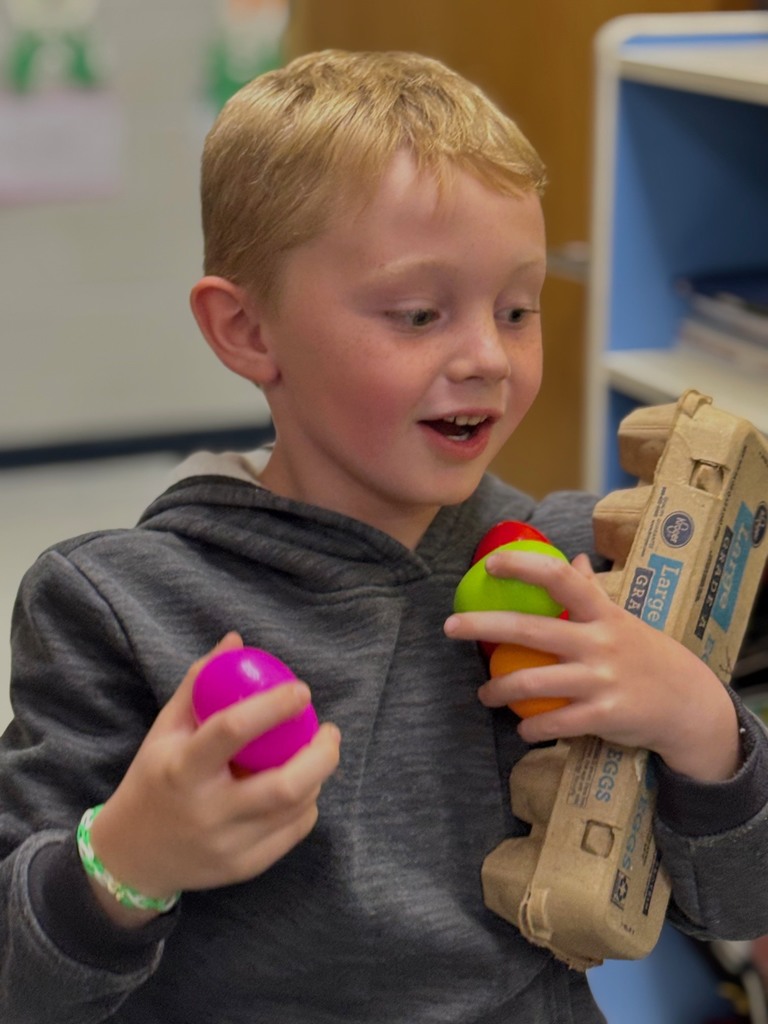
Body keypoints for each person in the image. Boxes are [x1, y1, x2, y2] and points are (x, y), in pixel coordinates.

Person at [1, 49, 766, 1024]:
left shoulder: (578, 572)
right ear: (247, 331)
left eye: (518, 309)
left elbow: (738, 905)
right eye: (419, 314)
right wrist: (126, 863)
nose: (488, 357)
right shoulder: (116, 607)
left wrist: (703, 728)